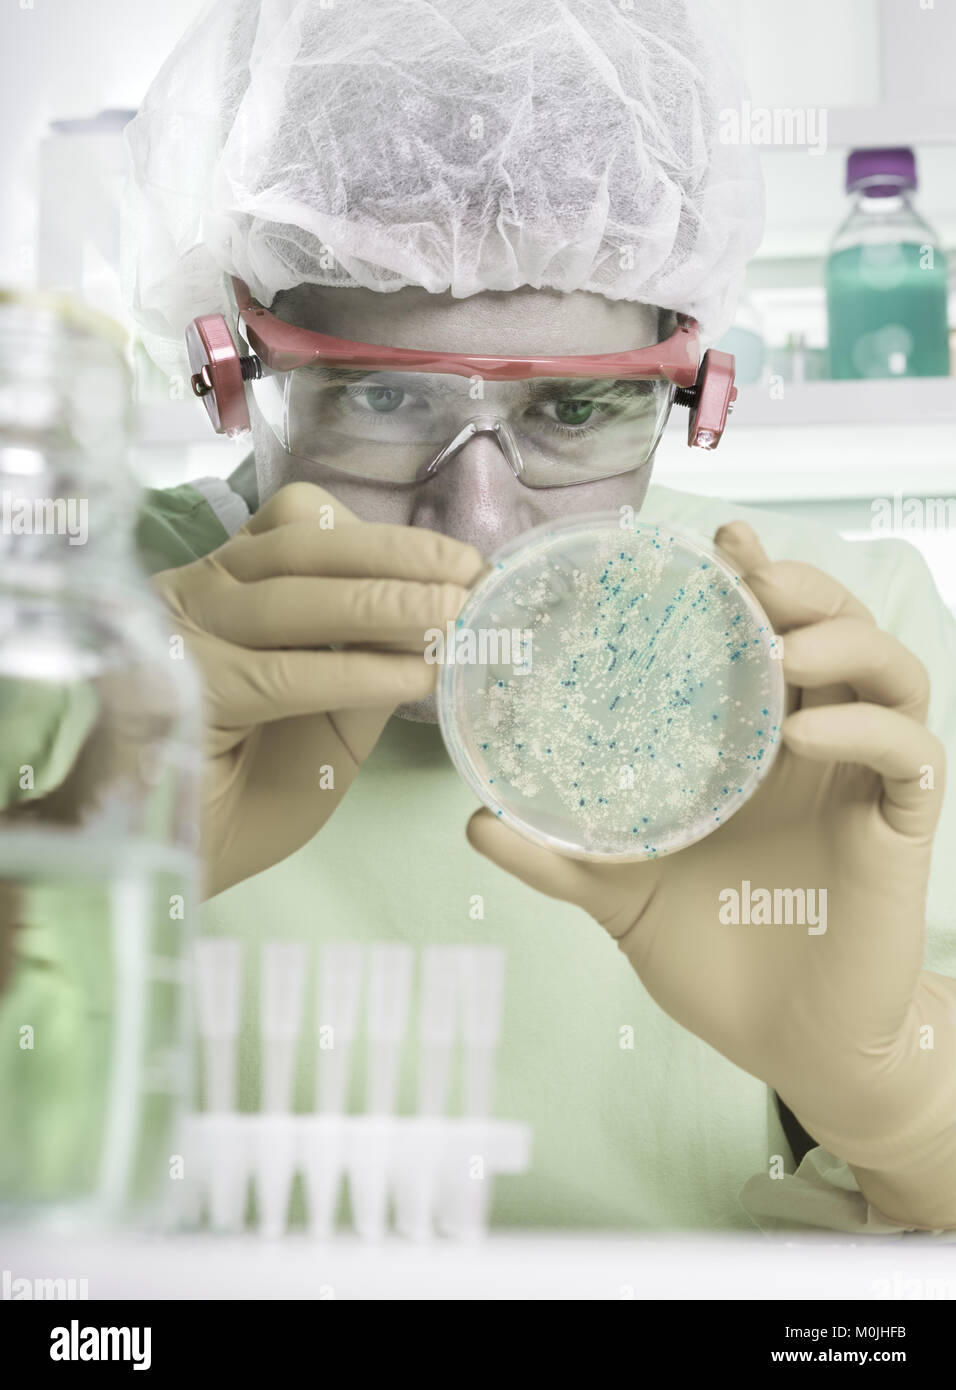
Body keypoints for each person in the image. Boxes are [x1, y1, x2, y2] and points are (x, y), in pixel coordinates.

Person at [121, 0, 956, 1232]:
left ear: (691, 386)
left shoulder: (821, 658)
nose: (481, 524)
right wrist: (66, 879)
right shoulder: (70, 620)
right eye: (382, 399)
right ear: (233, 373)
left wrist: (889, 1089)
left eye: (573, 413)